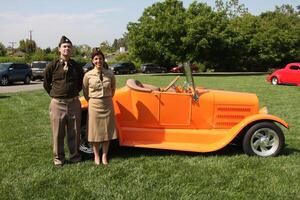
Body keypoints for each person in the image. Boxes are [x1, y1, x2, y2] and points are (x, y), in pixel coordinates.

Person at [43, 35, 84, 166]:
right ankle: (58, 159)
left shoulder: (76, 66)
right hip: (57, 104)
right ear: (59, 49)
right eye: (64, 46)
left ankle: (74, 156)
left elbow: (80, 83)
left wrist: (73, 93)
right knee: (57, 133)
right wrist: (55, 94)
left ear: (71, 50)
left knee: (75, 132)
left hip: (73, 103)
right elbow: (46, 83)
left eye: (69, 47)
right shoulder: (52, 65)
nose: (67, 48)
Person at [83, 48, 117, 165]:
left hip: (107, 104)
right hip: (94, 105)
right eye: (96, 59)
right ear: (92, 61)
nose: (98, 61)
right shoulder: (88, 75)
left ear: (103, 60)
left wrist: (106, 97)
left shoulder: (110, 73)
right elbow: (85, 91)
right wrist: (93, 100)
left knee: (107, 131)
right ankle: (96, 156)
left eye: (100, 58)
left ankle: (104, 156)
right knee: (95, 132)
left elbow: (113, 89)